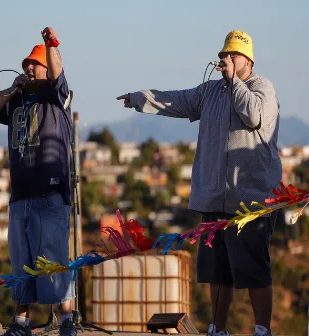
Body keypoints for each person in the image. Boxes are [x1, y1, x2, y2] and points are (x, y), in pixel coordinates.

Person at [117, 30, 281, 336]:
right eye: (223, 55)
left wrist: (235, 83)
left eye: (233, 55)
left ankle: (262, 330)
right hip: (213, 198)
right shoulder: (211, 91)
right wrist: (139, 99)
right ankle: (217, 329)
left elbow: (254, 117)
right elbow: (177, 100)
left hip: (251, 202)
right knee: (218, 271)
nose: (226, 60)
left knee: (254, 270)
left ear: (248, 59)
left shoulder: (263, 89)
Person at [0, 27, 76, 336]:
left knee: (55, 256)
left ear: (46, 68)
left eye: (34, 64)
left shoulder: (56, 95)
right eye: (26, 65)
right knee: (22, 259)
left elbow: (59, 70)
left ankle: (66, 321)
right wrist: (13, 89)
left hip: (50, 192)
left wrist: (51, 44)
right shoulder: (17, 101)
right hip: (21, 194)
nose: (29, 68)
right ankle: (21, 321)